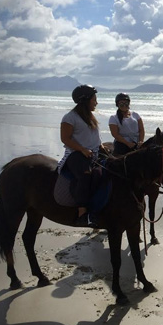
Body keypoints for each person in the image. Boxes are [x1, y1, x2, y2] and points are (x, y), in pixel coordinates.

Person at [58, 84, 107, 227]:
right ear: (85, 100)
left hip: (94, 152)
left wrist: (103, 148)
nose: (96, 102)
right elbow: (65, 139)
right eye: (94, 99)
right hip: (75, 154)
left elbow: (94, 138)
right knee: (87, 174)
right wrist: (82, 150)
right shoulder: (69, 117)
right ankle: (82, 211)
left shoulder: (90, 117)